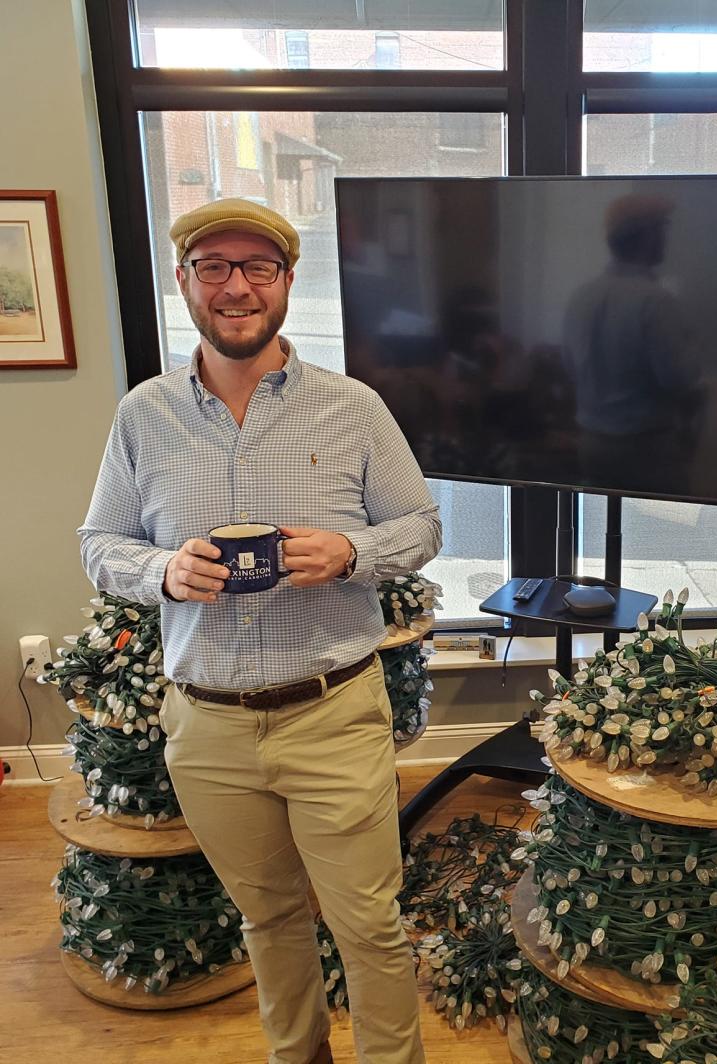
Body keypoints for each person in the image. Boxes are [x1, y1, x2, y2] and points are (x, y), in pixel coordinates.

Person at [79, 198, 441, 1064]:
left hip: (332, 713)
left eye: (257, 268)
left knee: (369, 925)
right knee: (267, 915)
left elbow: (424, 526)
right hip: (207, 727)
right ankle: (297, 1056)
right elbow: (99, 544)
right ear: (185, 283)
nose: (235, 287)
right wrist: (160, 572)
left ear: (285, 283)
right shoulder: (144, 416)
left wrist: (350, 551)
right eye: (214, 268)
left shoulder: (352, 409)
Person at [562, 193, 701, 494]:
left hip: (592, 445)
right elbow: (679, 379)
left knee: (598, 522)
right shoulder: (656, 302)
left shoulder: (581, 297)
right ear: (648, 236)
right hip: (645, 449)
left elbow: (571, 369)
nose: (666, 237)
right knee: (658, 529)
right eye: (662, 228)